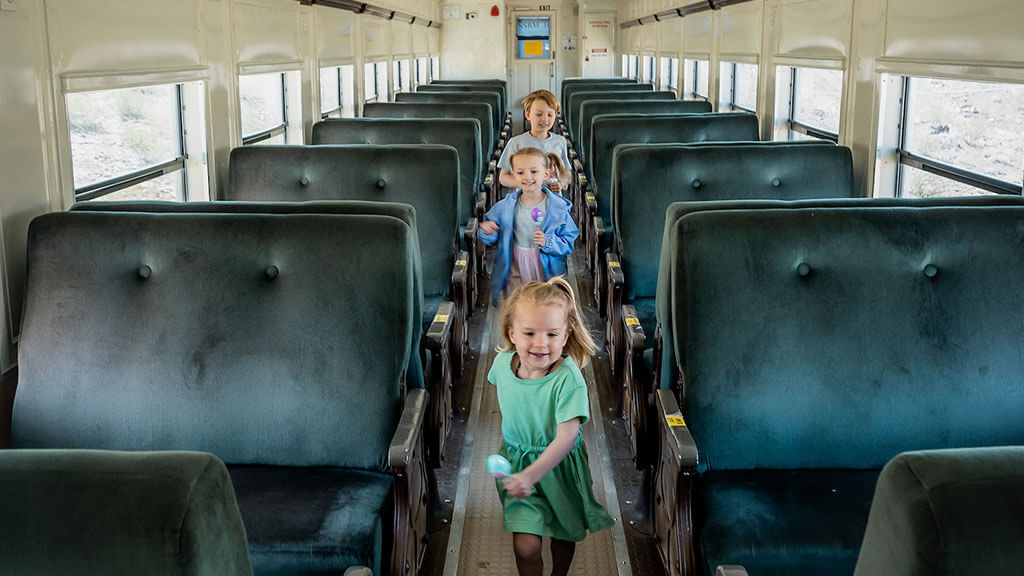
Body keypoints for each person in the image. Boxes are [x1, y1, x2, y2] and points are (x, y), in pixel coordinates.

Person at [488, 277, 614, 576]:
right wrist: (521, 466)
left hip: (558, 468)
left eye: (552, 334)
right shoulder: (502, 366)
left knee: (563, 533)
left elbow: (567, 437)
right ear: (512, 334)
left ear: (566, 335)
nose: (541, 343)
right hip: (519, 464)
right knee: (526, 547)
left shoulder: (568, 380)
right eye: (529, 333)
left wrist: (532, 475)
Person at [479, 147, 577, 305]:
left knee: (544, 303)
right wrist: (488, 231)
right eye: (520, 172)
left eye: (534, 171)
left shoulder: (558, 208)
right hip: (515, 263)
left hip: (544, 266)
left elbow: (569, 241)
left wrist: (548, 242)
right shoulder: (504, 206)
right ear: (513, 175)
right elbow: (491, 235)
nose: (527, 177)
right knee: (517, 304)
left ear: (546, 174)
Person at [498, 90, 571, 194]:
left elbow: (566, 172)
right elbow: (503, 177)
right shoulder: (516, 143)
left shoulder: (560, 141)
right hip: (525, 199)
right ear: (528, 115)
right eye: (539, 114)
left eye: (550, 115)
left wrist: (561, 184)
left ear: (555, 115)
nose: (545, 119)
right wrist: (525, 183)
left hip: (553, 201)